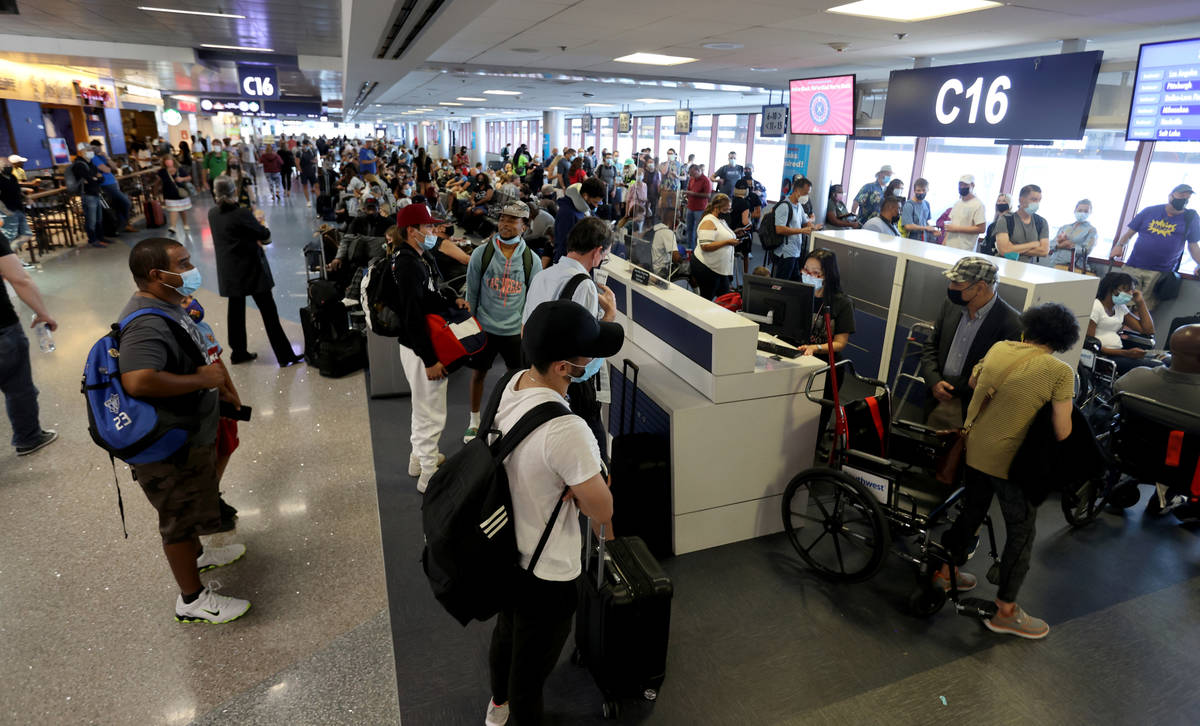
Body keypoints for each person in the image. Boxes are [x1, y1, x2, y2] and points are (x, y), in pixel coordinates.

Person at [484, 299, 619, 726]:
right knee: (534, 666)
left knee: (507, 633)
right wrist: (588, 480)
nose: (591, 361)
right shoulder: (567, 429)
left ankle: (497, 705)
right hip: (548, 569)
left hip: (505, 549)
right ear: (564, 367)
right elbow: (602, 507)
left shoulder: (511, 383)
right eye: (586, 357)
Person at [118, 238, 250, 624]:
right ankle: (191, 601)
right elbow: (138, 381)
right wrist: (200, 379)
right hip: (166, 443)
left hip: (188, 432)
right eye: (184, 262)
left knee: (192, 500)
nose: (192, 269)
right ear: (158, 274)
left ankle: (198, 555)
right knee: (176, 517)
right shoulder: (145, 322)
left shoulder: (167, 306)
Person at [937, 303, 1078, 640]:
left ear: (1030, 327)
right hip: (1010, 464)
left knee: (971, 512)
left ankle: (946, 572)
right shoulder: (1060, 372)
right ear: (1062, 340)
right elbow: (1063, 431)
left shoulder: (1000, 348)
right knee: (1021, 532)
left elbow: (973, 381)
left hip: (974, 449)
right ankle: (1006, 612)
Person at [523, 217, 619, 464]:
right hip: (570, 385)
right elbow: (583, 354)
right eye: (605, 255)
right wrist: (609, 315)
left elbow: (525, 330)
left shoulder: (543, 276)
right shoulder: (585, 286)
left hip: (538, 373)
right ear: (597, 252)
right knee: (592, 456)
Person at [391, 203, 469, 492]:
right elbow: (412, 315)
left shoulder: (414, 256)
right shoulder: (409, 264)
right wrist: (430, 360)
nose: (433, 231)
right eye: (427, 227)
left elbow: (428, 296)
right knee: (431, 411)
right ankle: (428, 475)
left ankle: (418, 458)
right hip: (420, 347)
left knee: (422, 406)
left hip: (415, 345)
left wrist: (451, 302)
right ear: (412, 231)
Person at [463, 201, 542, 443]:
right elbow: (472, 294)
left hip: (513, 332)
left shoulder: (531, 260)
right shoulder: (482, 253)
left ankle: (509, 420)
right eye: (502, 219)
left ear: (524, 226)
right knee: (478, 374)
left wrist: (525, 329)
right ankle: (474, 421)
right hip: (485, 327)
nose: (504, 224)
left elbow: (533, 300)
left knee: (516, 378)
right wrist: (471, 326)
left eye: (512, 220)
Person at [920, 257, 1022, 430]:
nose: (950, 288)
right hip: (936, 399)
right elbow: (931, 344)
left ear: (980, 287)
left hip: (973, 410)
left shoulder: (1012, 323)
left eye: (957, 284)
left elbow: (1002, 375)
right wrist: (934, 381)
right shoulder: (950, 305)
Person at [208, 178, 300, 368]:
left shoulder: (212, 214)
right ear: (234, 192)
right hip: (251, 269)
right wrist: (259, 224)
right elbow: (264, 236)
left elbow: (231, 234)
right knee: (269, 312)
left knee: (235, 312)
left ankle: (238, 352)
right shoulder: (241, 213)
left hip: (229, 271)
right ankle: (285, 355)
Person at [0, 221, 58, 455]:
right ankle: (28, 437)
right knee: (18, 387)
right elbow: (19, 278)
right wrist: (43, 313)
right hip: (2, 329)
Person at [1110, 184, 1200, 310]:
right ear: (1171, 196)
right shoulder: (1150, 211)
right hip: (1133, 266)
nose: (1184, 198)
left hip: (1159, 272)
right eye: (1181, 195)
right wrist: (1119, 245)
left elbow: (1193, 246)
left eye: (1187, 197)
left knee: (1142, 308)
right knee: (1121, 303)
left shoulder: (1191, 218)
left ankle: (1132, 330)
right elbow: (1129, 233)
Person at [1088, 272, 1159, 375]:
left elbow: (1148, 330)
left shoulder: (1119, 307)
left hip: (1120, 353)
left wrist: (1140, 302)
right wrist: (1126, 353)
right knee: (1156, 367)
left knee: (1165, 362)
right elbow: (1091, 344)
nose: (1131, 294)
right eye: (1127, 290)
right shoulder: (1095, 307)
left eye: (1132, 290)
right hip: (1103, 358)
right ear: (1113, 289)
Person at [795, 248, 855, 357]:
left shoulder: (842, 303)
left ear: (828, 276)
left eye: (815, 273)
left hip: (823, 360)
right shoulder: (798, 294)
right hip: (796, 352)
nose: (808, 276)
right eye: (806, 270)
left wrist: (816, 348)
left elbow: (840, 343)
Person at [693, 194, 739, 300]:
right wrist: (727, 242)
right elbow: (705, 246)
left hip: (719, 269)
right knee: (706, 299)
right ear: (716, 208)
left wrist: (734, 234)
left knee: (725, 299)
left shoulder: (719, 220)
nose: (728, 212)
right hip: (707, 268)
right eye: (725, 210)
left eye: (729, 210)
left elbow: (720, 235)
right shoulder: (708, 221)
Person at [773, 175, 820, 280]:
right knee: (781, 283)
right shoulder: (784, 206)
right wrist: (802, 230)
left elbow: (805, 222)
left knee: (796, 281)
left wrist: (813, 227)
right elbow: (779, 229)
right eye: (806, 193)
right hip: (785, 253)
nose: (807, 196)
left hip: (795, 251)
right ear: (797, 191)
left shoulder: (798, 206)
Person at [995, 184, 1050, 264]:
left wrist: (1013, 248)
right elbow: (1004, 250)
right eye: (1033, 199)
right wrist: (1034, 244)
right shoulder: (1005, 219)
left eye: (1039, 200)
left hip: (1027, 269)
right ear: (1021, 200)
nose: (1037, 203)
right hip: (1004, 266)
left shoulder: (1041, 222)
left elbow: (1044, 251)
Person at [553, 178, 605, 262]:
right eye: (595, 202)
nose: (596, 206)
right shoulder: (568, 214)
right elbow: (563, 245)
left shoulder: (581, 209)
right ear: (585, 196)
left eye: (598, 203)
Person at [89, 140, 135, 234]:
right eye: (95, 147)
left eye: (99, 146)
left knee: (118, 205)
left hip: (112, 183)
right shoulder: (93, 158)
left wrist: (107, 157)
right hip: (106, 185)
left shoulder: (102, 157)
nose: (98, 148)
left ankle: (122, 226)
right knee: (126, 203)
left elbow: (114, 167)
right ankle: (123, 225)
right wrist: (108, 168)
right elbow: (105, 170)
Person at [71, 144, 109, 247]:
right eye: (88, 150)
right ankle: (93, 240)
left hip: (95, 193)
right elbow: (89, 180)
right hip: (88, 195)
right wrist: (94, 178)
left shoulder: (91, 163)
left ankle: (100, 237)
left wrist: (95, 179)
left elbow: (100, 178)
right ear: (82, 151)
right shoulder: (79, 165)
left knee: (98, 218)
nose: (91, 151)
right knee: (91, 219)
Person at [1050, 199, 1098, 273]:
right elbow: (1051, 245)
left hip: (1073, 268)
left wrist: (1070, 245)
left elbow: (1086, 251)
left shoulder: (1091, 230)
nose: (1082, 213)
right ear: (1075, 210)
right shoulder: (1065, 227)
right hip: (1054, 265)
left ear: (1090, 213)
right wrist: (1060, 245)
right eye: (1080, 210)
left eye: (1086, 211)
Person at [943, 174, 986, 251]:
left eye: (965, 185)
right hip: (950, 246)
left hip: (965, 248)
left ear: (972, 185)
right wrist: (944, 242)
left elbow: (981, 228)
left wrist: (957, 229)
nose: (962, 187)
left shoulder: (978, 205)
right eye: (960, 185)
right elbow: (951, 225)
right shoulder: (957, 203)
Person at [157, 153, 193, 240]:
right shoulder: (162, 172)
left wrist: (182, 179)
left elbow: (189, 177)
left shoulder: (179, 169)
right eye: (166, 161)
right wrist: (158, 192)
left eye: (169, 160)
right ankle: (173, 226)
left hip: (180, 192)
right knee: (174, 210)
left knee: (182, 210)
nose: (168, 163)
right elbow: (159, 181)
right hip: (169, 193)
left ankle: (185, 224)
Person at [683, 165, 712, 251]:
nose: (691, 175)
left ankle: (698, 250)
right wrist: (686, 194)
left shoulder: (706, 180)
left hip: (700, 209)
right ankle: (689, 248)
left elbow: (708, 195)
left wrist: (693, 193)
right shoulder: (692, 179)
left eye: (692, 173)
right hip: (690, 207)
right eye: (690, 174)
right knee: (689, 228)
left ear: (698, 170)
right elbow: (688, 190)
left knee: (699, 230)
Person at [650, 206, 683, 280]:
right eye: (678, 218)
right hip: (660, 272)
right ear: (673, 219)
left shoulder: (655, 228)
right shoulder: (668, 233)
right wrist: (684, 261)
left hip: (651, 267)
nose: (679, 221)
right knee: (688, 269)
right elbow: (676, 258)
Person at [298, 140, 319, 207]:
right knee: (305, 186)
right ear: (303, 145)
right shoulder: (299, 153)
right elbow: (297, 163)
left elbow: (316, 160)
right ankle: (308, 201)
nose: (307, 146)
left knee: (316, 185)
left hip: (312, 171)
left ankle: (319, 199)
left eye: (308, 145)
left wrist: (314, 161)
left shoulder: (312, 151)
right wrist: (300, 170)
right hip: (304, 172)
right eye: (306, 145)